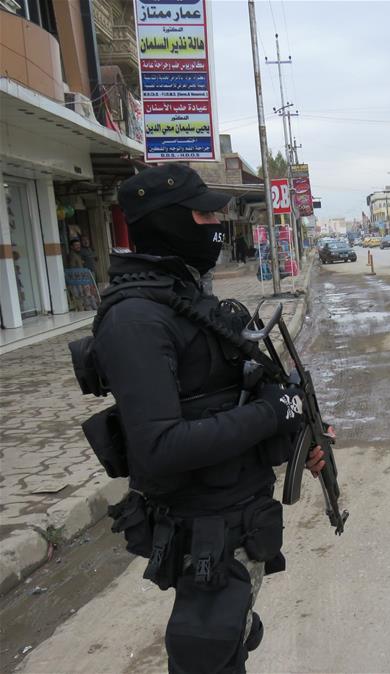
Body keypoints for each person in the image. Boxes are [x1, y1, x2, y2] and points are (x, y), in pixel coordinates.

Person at [76, 164, 326, 673]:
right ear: (167, 220)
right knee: (207, 655)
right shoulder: (135, 320)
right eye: (204, 212)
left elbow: (226, 395)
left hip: (237, 518)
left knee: (231, 641)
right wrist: (271, 412)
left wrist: (294, 425)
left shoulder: (185, 296)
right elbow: (161, 447)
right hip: (202, 533)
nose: (216, 221)